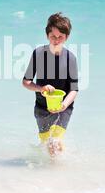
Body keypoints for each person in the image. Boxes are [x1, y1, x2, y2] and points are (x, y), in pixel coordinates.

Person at [22, 12, 79, 156]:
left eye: (61, 37)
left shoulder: (70, 58)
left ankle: (58, 171)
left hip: (64, 107)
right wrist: (41, 88)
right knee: (46, 142)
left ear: (67, 37)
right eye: (53, 36)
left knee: (56, 141)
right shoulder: (38, 54)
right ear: (47, 35)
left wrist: (64, 105)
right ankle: (48, 171)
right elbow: (26, 82)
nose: (56, 40)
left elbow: (74, 90)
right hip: (42, 107)